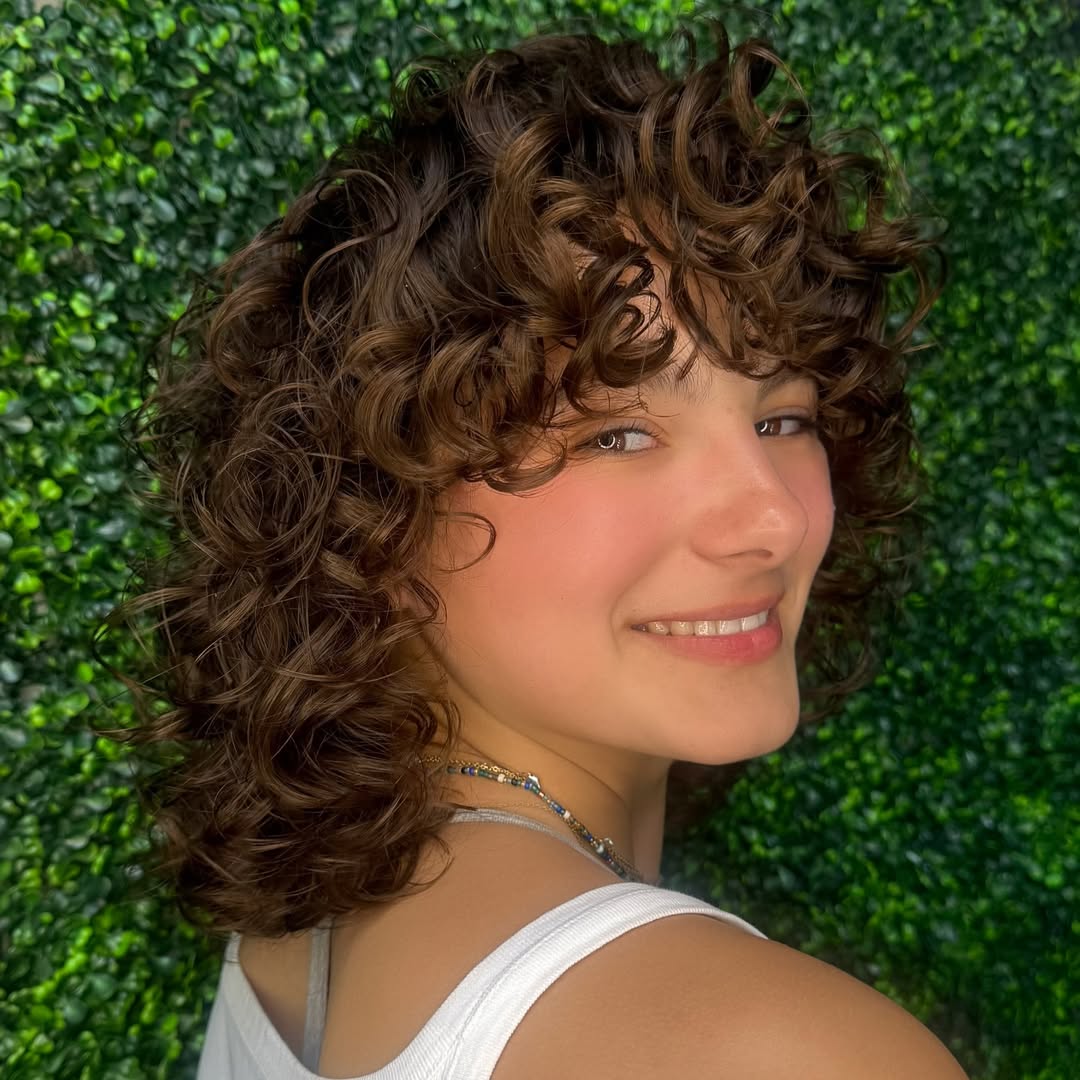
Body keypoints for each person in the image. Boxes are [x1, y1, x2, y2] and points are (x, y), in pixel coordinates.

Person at [97, 16, 964, 1079]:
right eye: (617, 435)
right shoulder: (789, 1054)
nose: (774, 518)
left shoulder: (306, 925)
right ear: (375, 502)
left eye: (784, 417)